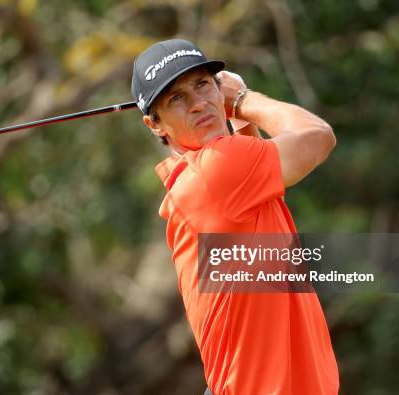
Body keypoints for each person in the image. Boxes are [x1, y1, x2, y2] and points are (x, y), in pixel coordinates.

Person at [131, 39, 339, 394]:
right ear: (156, 125)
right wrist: (242, 99)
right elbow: (318, 136)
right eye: (176, 98)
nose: (198, 104)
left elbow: (256, 165)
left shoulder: (218, 177)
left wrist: (237, 117)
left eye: (202, 84)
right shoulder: (217, 171)